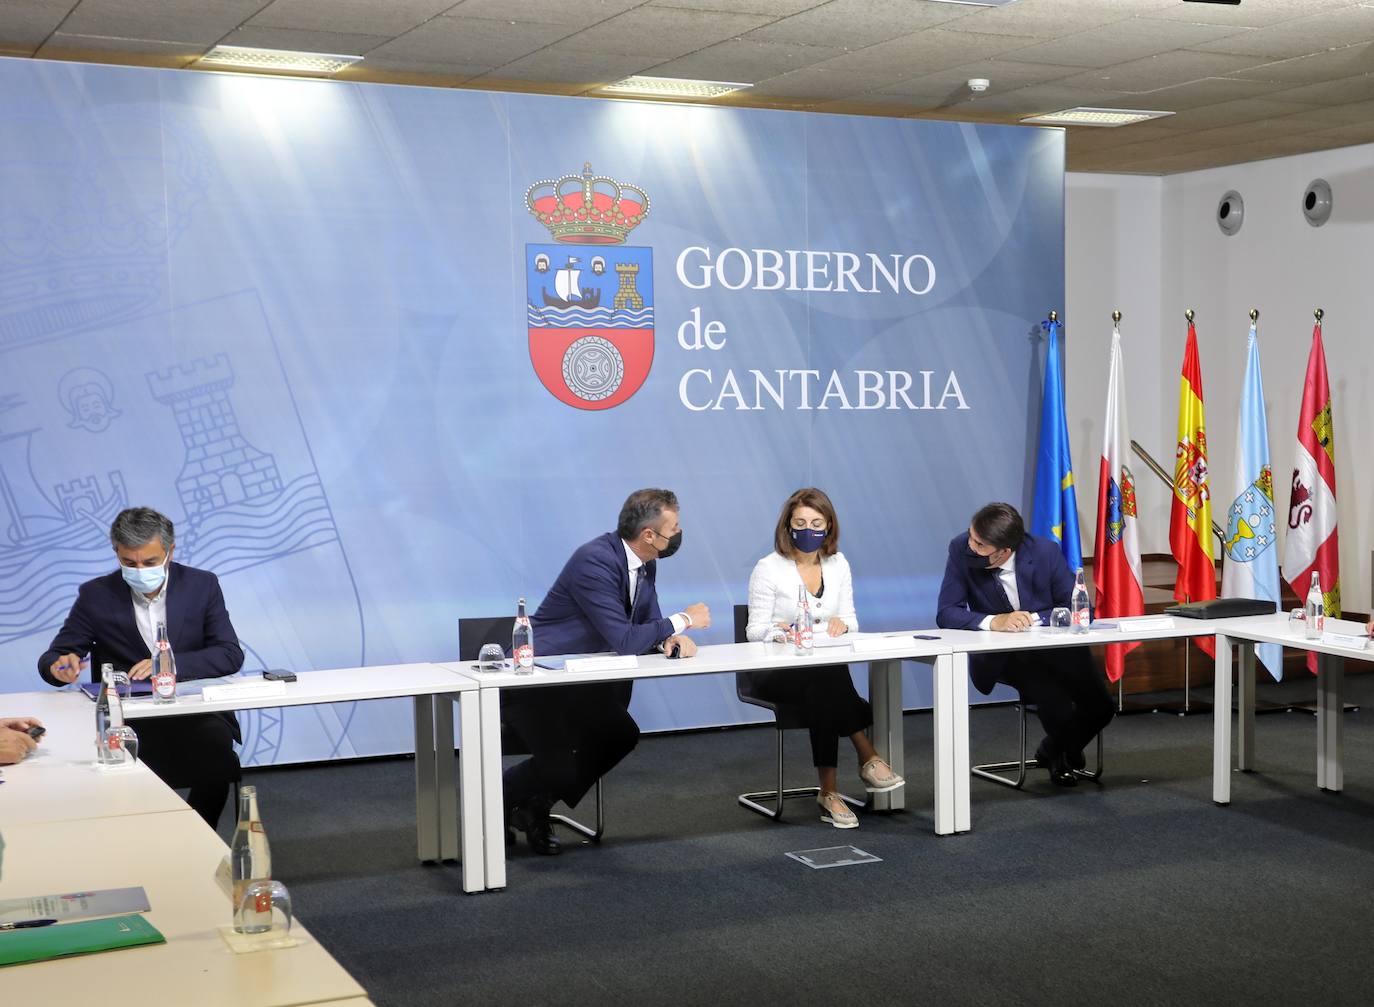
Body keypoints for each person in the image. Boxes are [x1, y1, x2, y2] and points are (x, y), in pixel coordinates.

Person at [503, 488, 711, 855]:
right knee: (561, 767)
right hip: (537, 681)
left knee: (620, 736)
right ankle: (489, 802)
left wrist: (670, 640)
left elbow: (647, 623)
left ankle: (537, 805)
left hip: (580, 682)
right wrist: (685, 619)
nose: (679, 533)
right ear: (649, 535)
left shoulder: (647, 561)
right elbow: (626, 638)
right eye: (674, 527)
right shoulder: (594, 561)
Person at [38, 507, 244, 826]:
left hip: (193, 711)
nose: (139, 570)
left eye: (149, 562)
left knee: (216, 748)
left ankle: (198, 832)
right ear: (116, 553)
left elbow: (230, 653)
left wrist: (168, 665)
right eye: (128, 563)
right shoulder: (96, 596)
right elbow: (56, 656)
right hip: (130, 716)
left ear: (169, 551)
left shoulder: (202, 585)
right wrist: (58, 666)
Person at [744, 487, 903, 829]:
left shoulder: (838, 563)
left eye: (816, 522)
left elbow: (851, 621)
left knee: (823, 683)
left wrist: (840, 624)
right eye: (799, 522)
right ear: (787, 526)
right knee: (826, 679)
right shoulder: (768, 568)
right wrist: (778, 630)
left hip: (819, 672)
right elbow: (753, 630)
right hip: (776, 672)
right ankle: (867, 756)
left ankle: (829, 793)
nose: (807, 529)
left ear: (829, 526)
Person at [936, 502, 1114, 787]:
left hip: (1056, 649)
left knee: (1102, 706)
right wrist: (994, 622)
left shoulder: (1044, 552)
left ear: (1005, 551)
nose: (971, 546)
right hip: (1007, 656)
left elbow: (1081, 610)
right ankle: (1062, 758)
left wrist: (1032, 619)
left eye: (980, 544)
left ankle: (1054, 748)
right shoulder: (960, 548)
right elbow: (946, 612)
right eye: (971, 536)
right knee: (1054, 699)